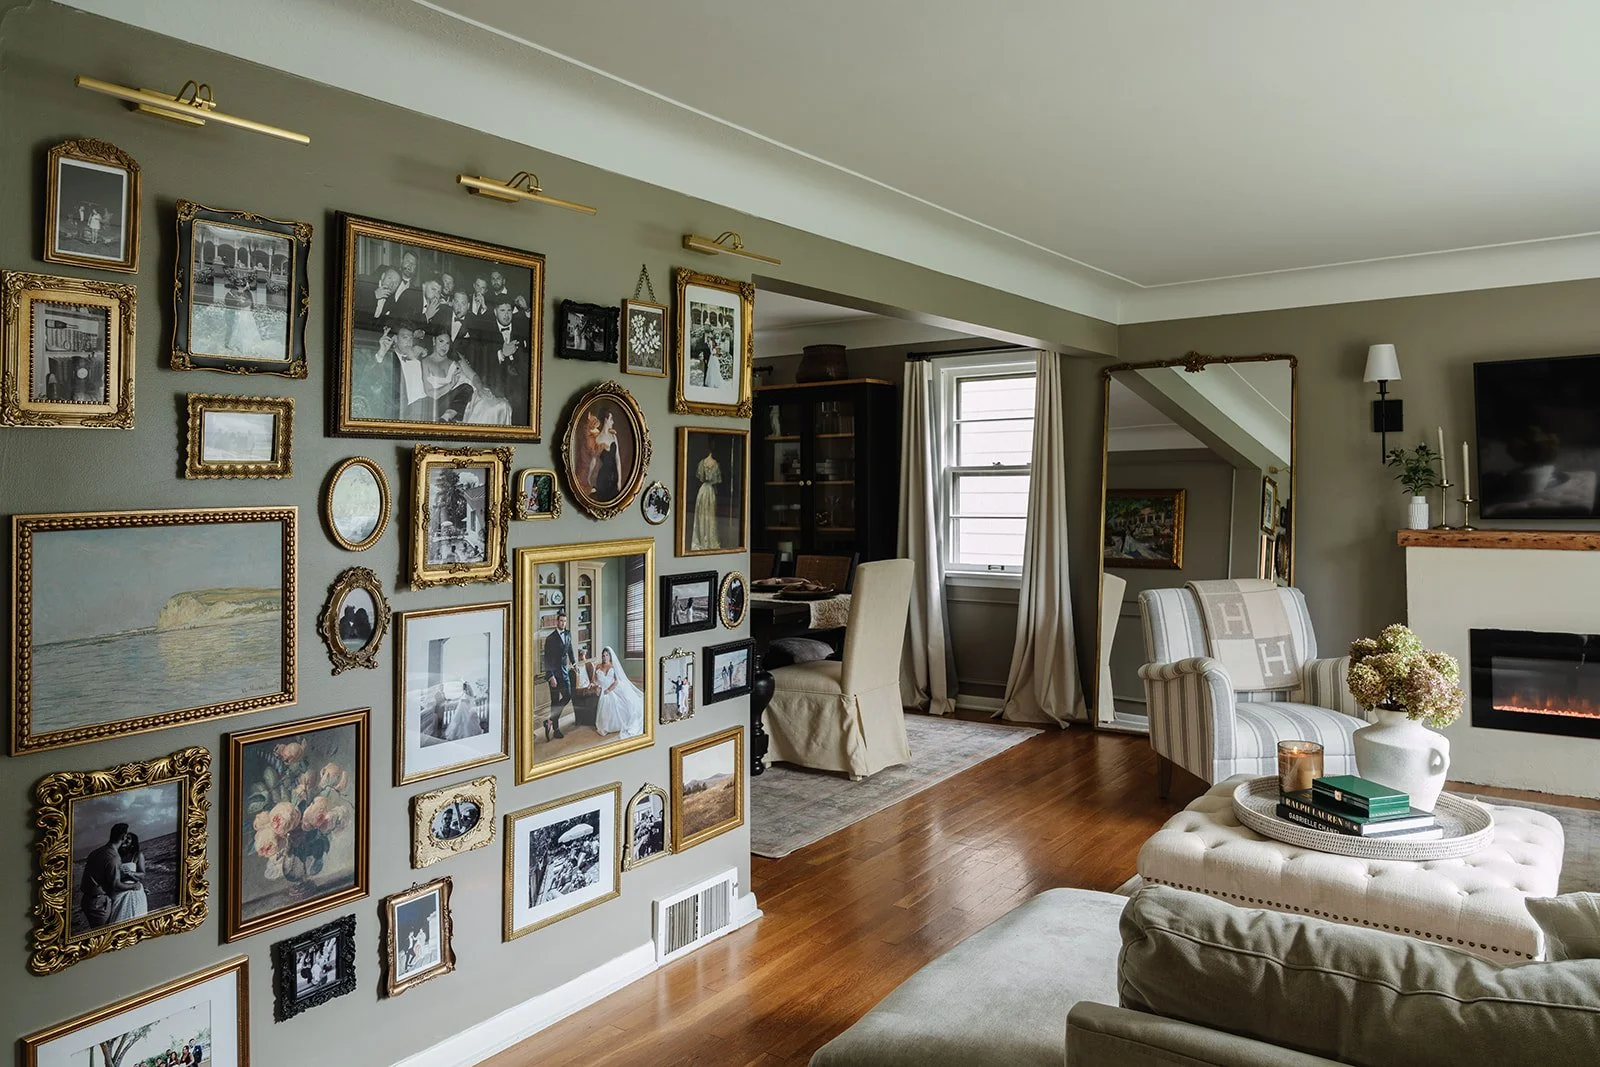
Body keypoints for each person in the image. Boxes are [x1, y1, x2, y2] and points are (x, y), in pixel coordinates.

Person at [80, 822, 138, 928]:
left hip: (86, 900)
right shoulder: (114, 858)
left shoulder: (95, 852)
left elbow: (103, 875)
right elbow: (116, 885)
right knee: (103, 936)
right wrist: (134, 886)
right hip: (99, 904)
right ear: (123, 837)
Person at [593, 647, 644, 739]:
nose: (605, 657)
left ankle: (616, 724)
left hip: (612, 687)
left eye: (607, 655)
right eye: (603, 655)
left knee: (618, 701)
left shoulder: (613, 666)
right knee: (605, 700)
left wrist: (609, 689)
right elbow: (595, 680)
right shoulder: (598, 666)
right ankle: (605, 725)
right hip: (602, 688)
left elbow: (616, 681)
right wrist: (595, 686)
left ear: (610, 656)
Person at [542, 611, 575, 742]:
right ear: (557, 621)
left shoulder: (568, 634)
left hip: (564, 672)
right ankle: (555, 729)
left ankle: (550, 720)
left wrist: (574, 662)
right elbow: (546, 659)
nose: (563, 623)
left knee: (568, 696)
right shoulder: (550, 638)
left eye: (565, 621)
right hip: (554, 675)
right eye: (561, 621)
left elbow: (570, 649)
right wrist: (550, 676)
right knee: (555, 702)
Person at [108, 830, 149, 923]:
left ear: (133, 843)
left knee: (137, 918)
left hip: (134, 891)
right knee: (118, 920)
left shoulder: (137, 855)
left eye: (128, 838)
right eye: (124, 837)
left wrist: (131, 873)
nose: (125, 839)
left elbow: (142, 874)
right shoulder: (115, 856)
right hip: (119, 891)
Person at [692, 446, 723, 550]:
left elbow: (700, 477)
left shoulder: (702, 463)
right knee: (708, 514)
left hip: (702, 490)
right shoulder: (715, 464)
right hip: (709, 490)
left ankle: (702, 540)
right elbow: (717, 480)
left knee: (703, 514)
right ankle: (707, 541)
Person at [593, 411, 622, 502]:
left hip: (614, 477)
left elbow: (617, 459)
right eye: (611, 419)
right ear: (606, 420)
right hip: (603, 479)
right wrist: (590, 479)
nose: (613, 422)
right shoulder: (597, 439)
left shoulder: (613, 437)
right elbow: (594, 461)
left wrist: (619, 480)